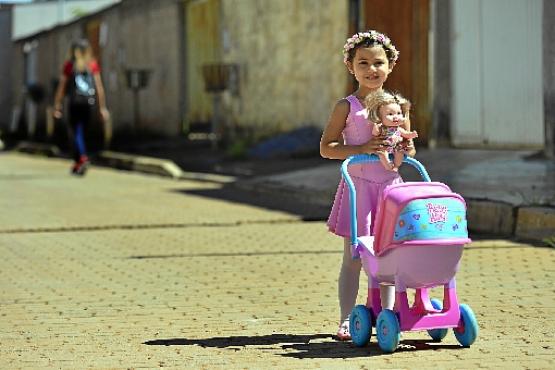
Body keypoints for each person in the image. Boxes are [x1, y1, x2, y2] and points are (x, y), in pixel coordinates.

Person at [319, 30, 416, 340]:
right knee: (355, 257)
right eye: (363, 63)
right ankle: (347, 319)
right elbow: (327, 147)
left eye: (378, 63)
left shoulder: (397, 106)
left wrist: (405, 146)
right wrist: (360, 150)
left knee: (387, 256)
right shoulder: (346, 107)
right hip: (358, 189)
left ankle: (386, 316)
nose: (372, 70)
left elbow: (407, 151)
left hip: (391, 191)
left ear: (390, 66)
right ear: (351, 67)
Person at [53, 39, 110, 175]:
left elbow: (61, 87)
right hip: (88, 103)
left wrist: (57, 105)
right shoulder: (92, 65)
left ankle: (81, 158)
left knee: (75, 132)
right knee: (82, 132)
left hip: (74, 103)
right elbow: (99, 88)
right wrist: (102, 107)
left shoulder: (69, 65)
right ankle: (79, 161)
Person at [366, 90, 418, 172]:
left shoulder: (398, 129)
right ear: (379, 118)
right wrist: (375, 128)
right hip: (384, 146)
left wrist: (411, 135)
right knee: (382, 154)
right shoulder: (382, 128)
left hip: (396, 146)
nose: (396, 117)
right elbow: (375, 133)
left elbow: (405, 134)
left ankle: (396, 165)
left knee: (399, 153)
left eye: (398, 113)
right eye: (390, 114)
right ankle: (388, 165)